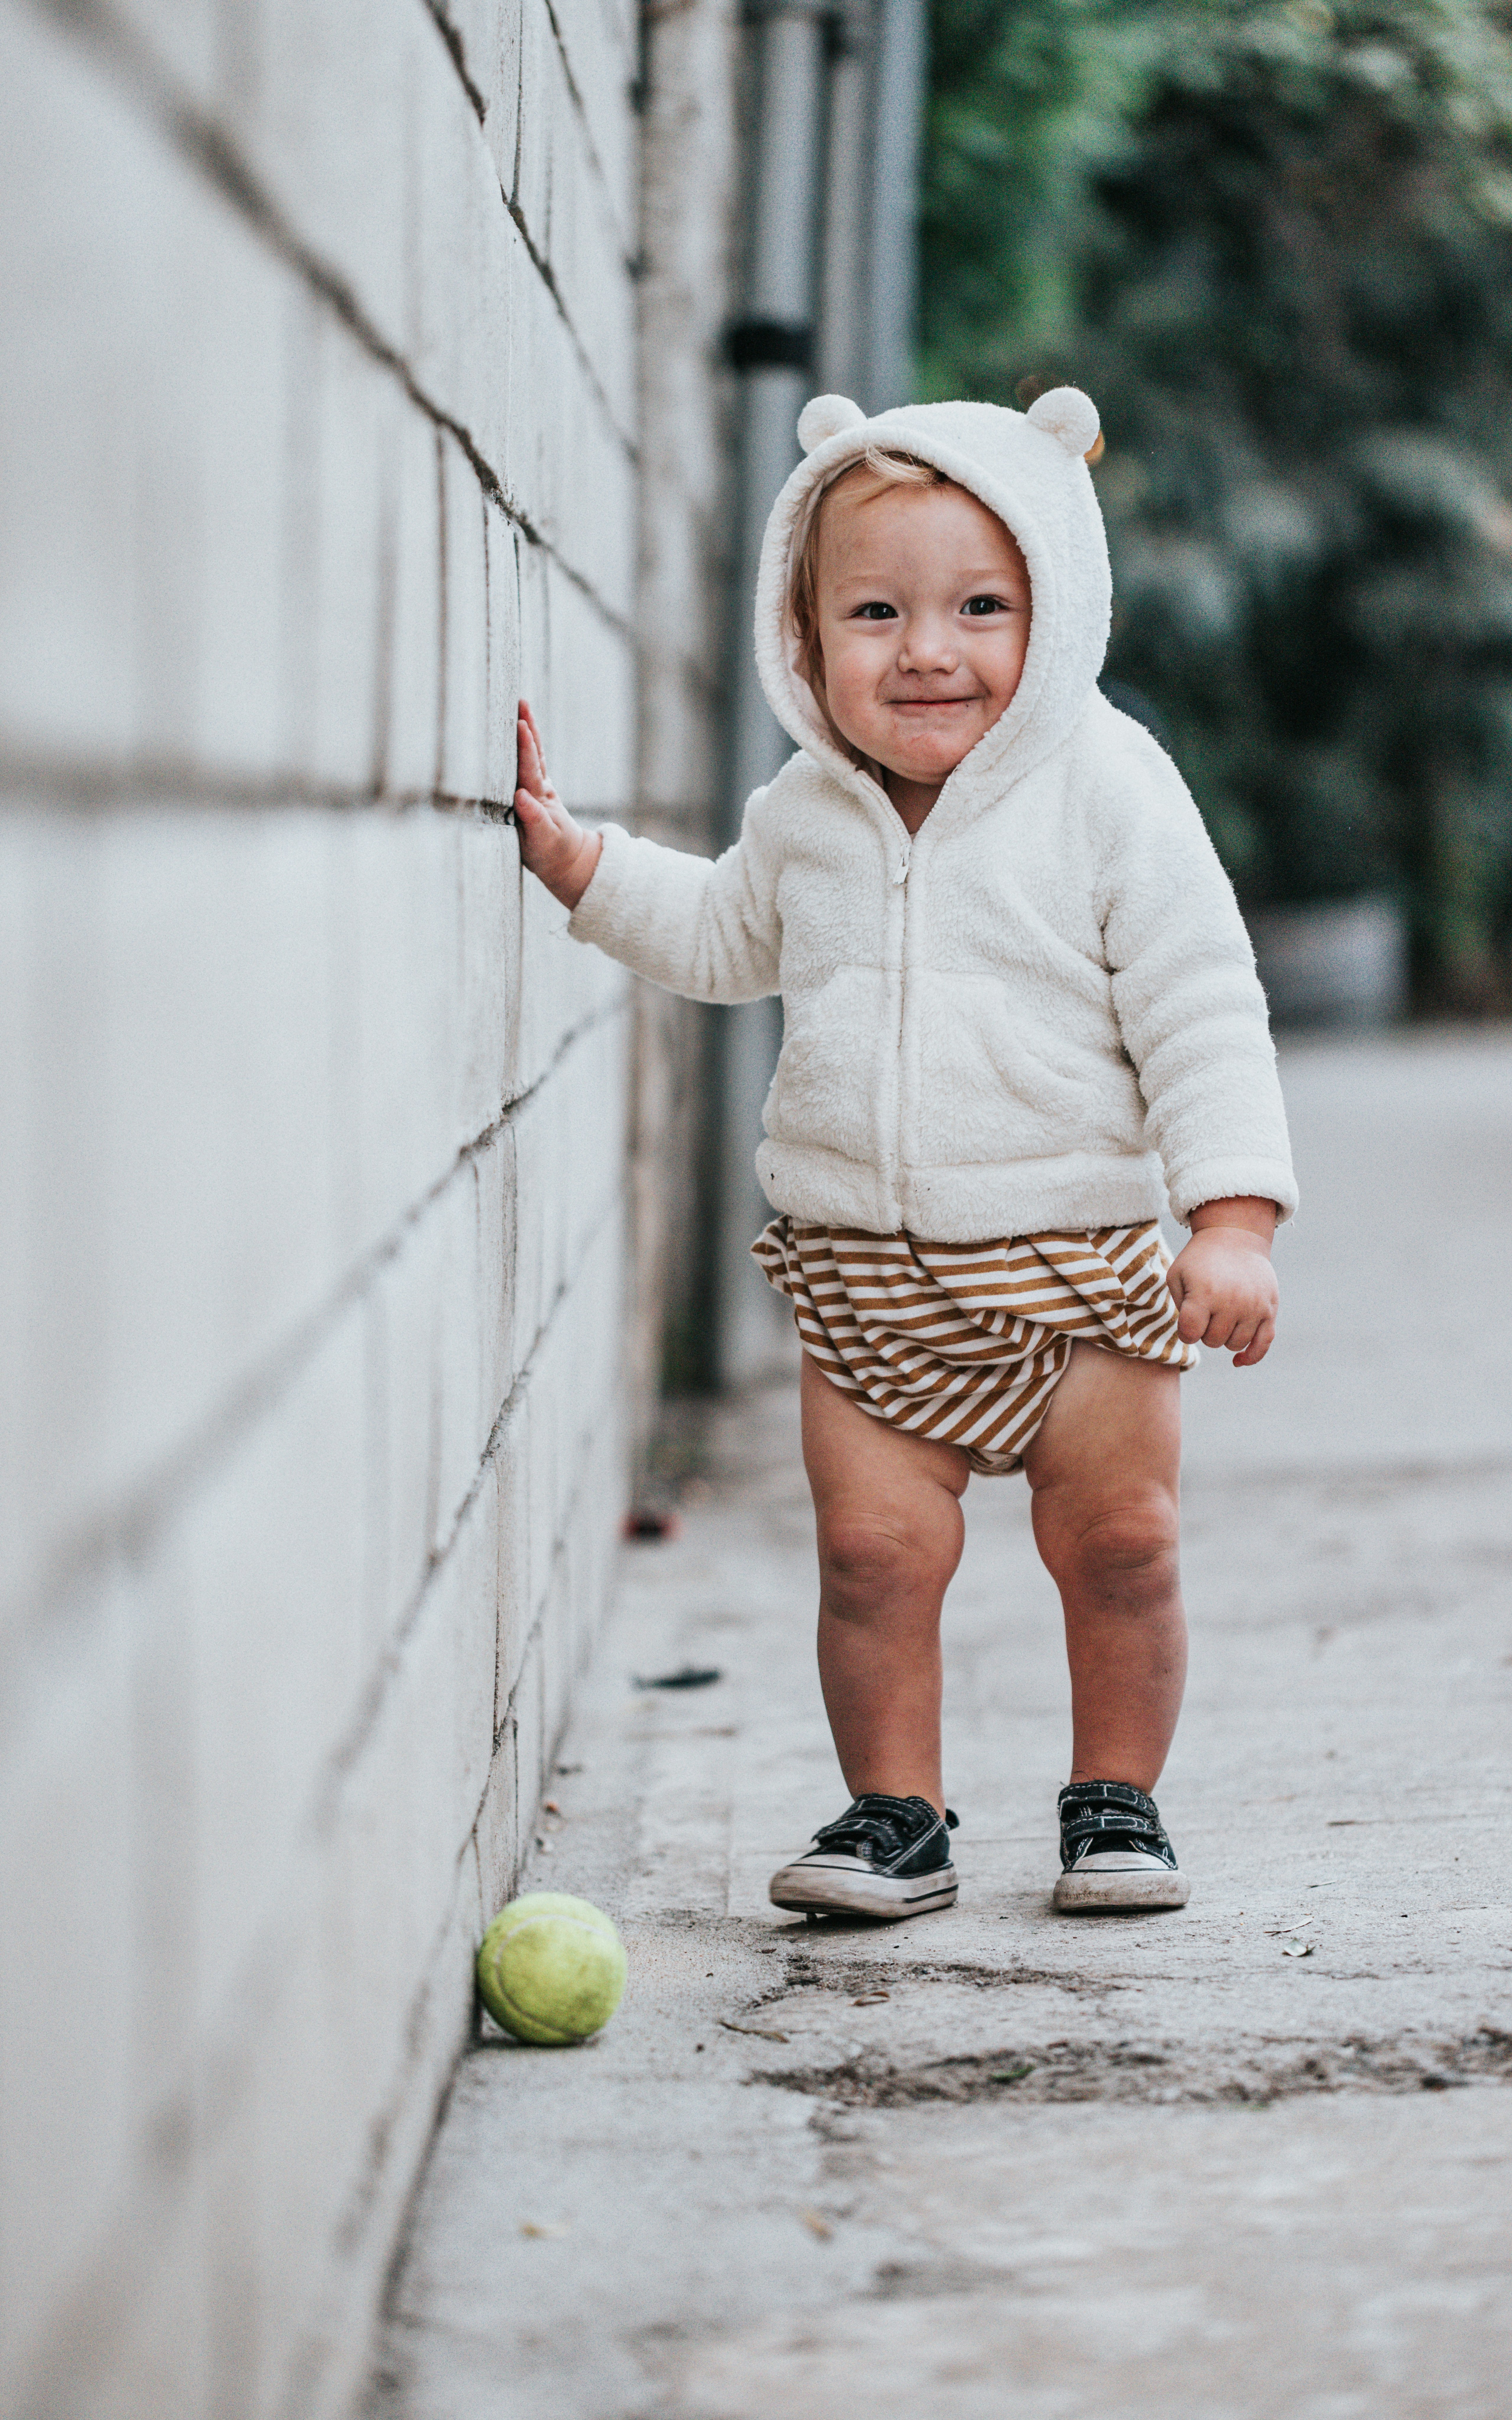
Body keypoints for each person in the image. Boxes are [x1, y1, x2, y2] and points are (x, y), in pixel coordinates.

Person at [511, 388, 1296, 1923]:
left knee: (1121, 1548)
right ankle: (896, 1818)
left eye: (979, 608)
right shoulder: (805, 813)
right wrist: (582, 866)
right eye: (874, 611)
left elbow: (1202, 999)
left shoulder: (1107, 790)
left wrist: (1233, 1219)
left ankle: (1116, 1802)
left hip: (1080, 1266)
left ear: (1055, 609)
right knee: (871, 1558)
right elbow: (725, 934)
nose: (927, 649)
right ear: (802, 641)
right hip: (865, 1278)